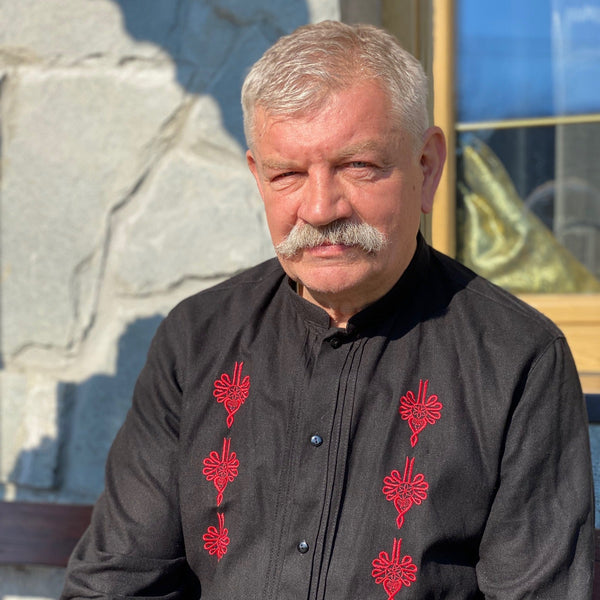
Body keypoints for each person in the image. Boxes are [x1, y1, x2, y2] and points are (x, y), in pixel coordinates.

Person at [61, 20, 594, 599]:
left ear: (427, 167)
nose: (320, 209)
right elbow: (117, 583)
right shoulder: (196, 340)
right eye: (288, 174)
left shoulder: (519, 359)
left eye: (357, 166)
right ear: (257, 177)